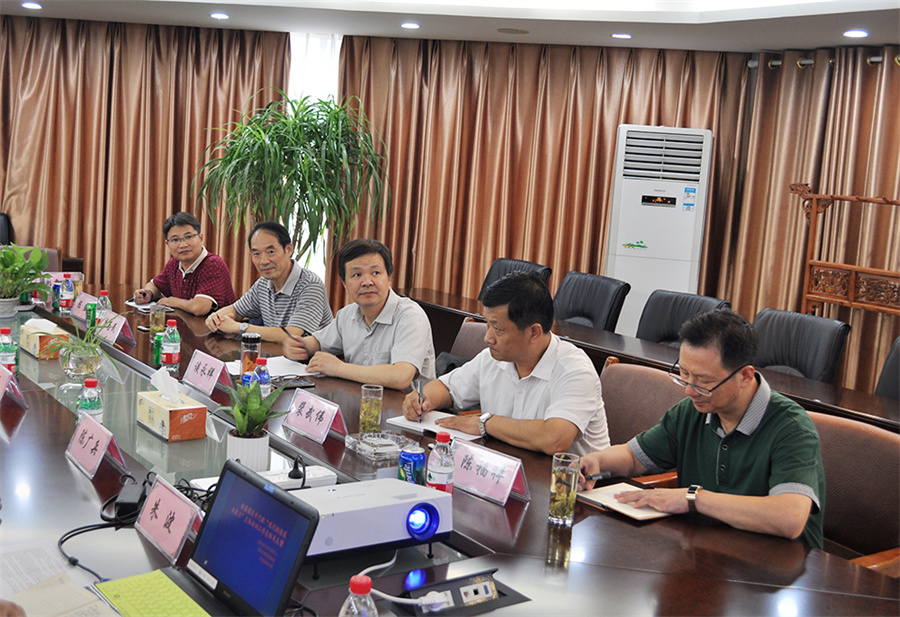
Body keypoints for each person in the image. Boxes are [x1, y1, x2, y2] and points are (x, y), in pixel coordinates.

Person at [579, 309, 825, 548]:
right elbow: (634, 457)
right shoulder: (692, 411)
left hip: (779, 564)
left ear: (745, 376)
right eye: (684, 373)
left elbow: (789, 518)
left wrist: (692, 498)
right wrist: (596, 461)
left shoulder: (791, 428)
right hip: (708, 552)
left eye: (704, 381)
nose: (689, 390)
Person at [401, 271, 609, 456]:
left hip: (574, 483)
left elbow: (554, 439)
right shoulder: (493, 358)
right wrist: (423, 399)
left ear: (534, 332)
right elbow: (448, 388)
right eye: (487, 325)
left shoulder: (575, 369)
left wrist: (484, 423)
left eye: (498, 329)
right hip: (509, 470)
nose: (488, 338)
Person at [282, 239, 435, 391]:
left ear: (389, 278)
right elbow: (318, 342)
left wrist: (339, 368)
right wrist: (299, 345)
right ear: (344, 284)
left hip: (405, 405)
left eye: (375, 273)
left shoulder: (411, 317)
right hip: (361, 400)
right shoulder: (347, 315)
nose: (367, 282)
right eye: (357, 274)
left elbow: (400, 377)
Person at [205, 222, 332, 342]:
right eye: (256, 254)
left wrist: (239, 327)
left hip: (313, 357)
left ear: (288, 249)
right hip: (276, 354)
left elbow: (292, 334)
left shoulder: (310, 285)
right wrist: (216, 317)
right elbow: (236, 310)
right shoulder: (263, 283)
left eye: (271, 252)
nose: (263, 261)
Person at [133, 212, 236, 316]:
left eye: (189, 237)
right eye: (175, 240)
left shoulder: (213, 264)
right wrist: (148, 293)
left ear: (200, 238)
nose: (183, 245)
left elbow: (199, 308)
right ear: (167, 244)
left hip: (217, 326)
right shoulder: (174, 263)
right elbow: (155, 285)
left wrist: (174, 301)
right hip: (185, 324)